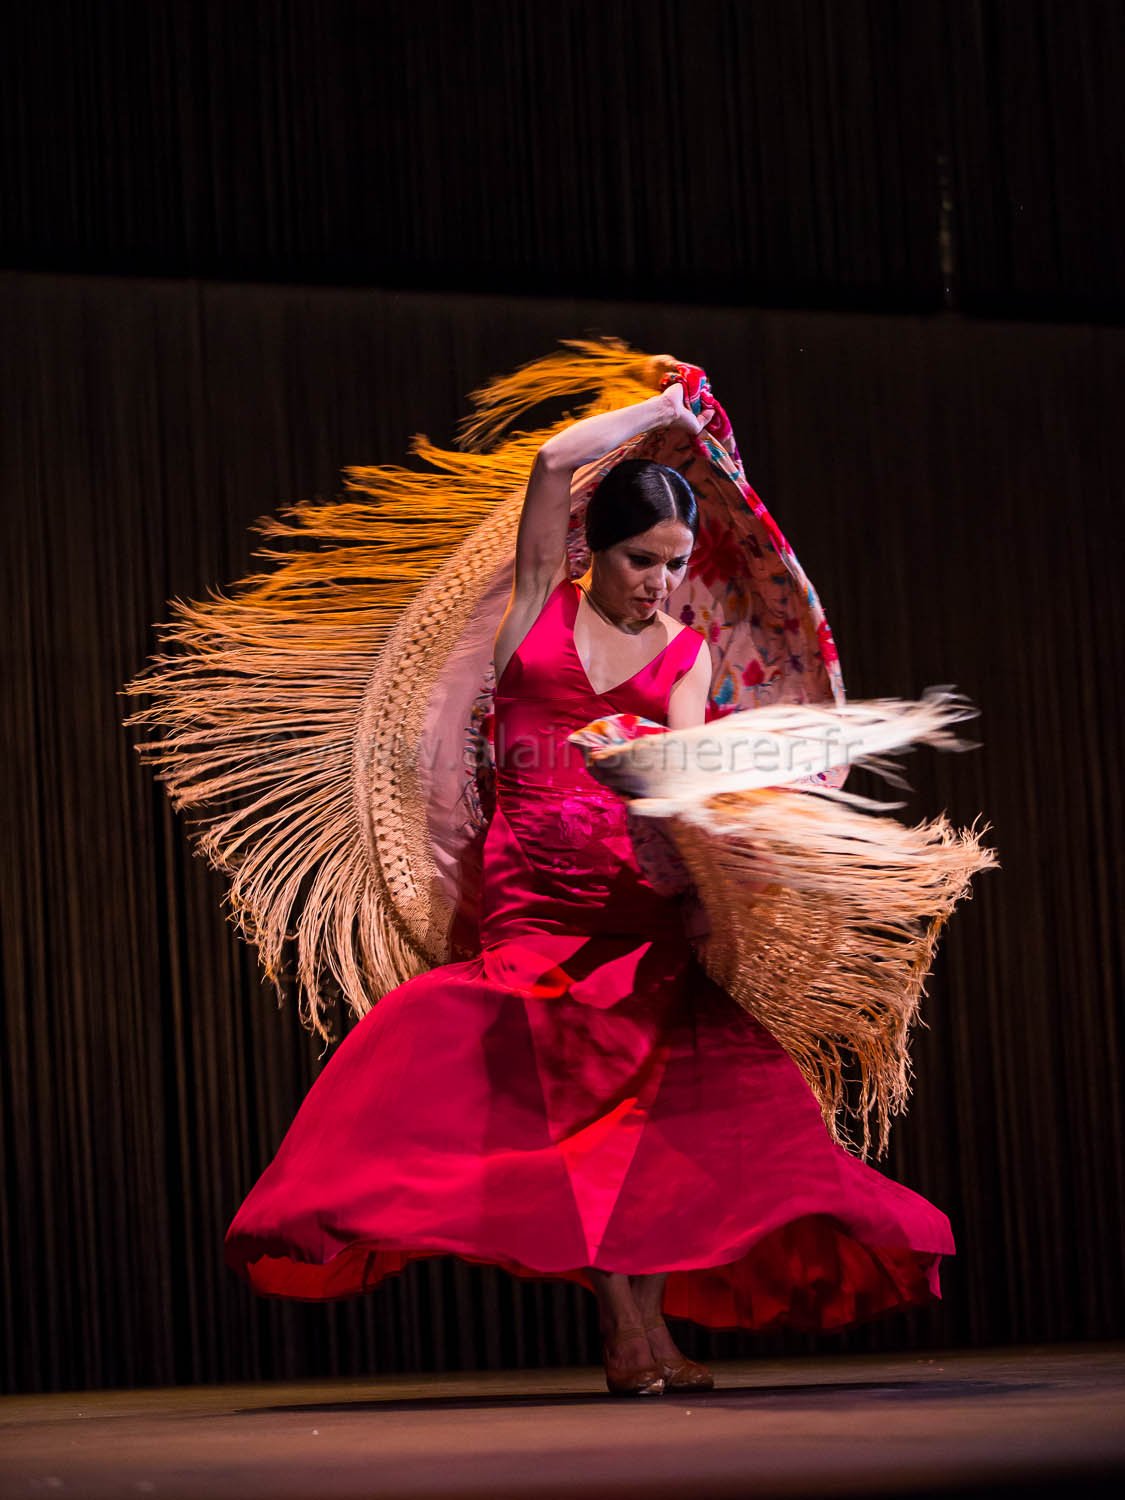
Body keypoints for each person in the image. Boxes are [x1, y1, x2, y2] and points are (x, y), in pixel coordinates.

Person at [222, 375, 956, 1398]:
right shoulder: (536, 608)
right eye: (640, 559)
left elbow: (688, 791)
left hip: (637, 906)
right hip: (535, 902)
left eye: (675, 563)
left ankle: (643, 1332)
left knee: (665, 1119)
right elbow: (553, 461)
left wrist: (696, 848)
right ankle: (626, 1330)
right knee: (576, 1113)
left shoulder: (685, 654)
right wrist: (665, 412)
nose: (659, 581)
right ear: (594, 550)